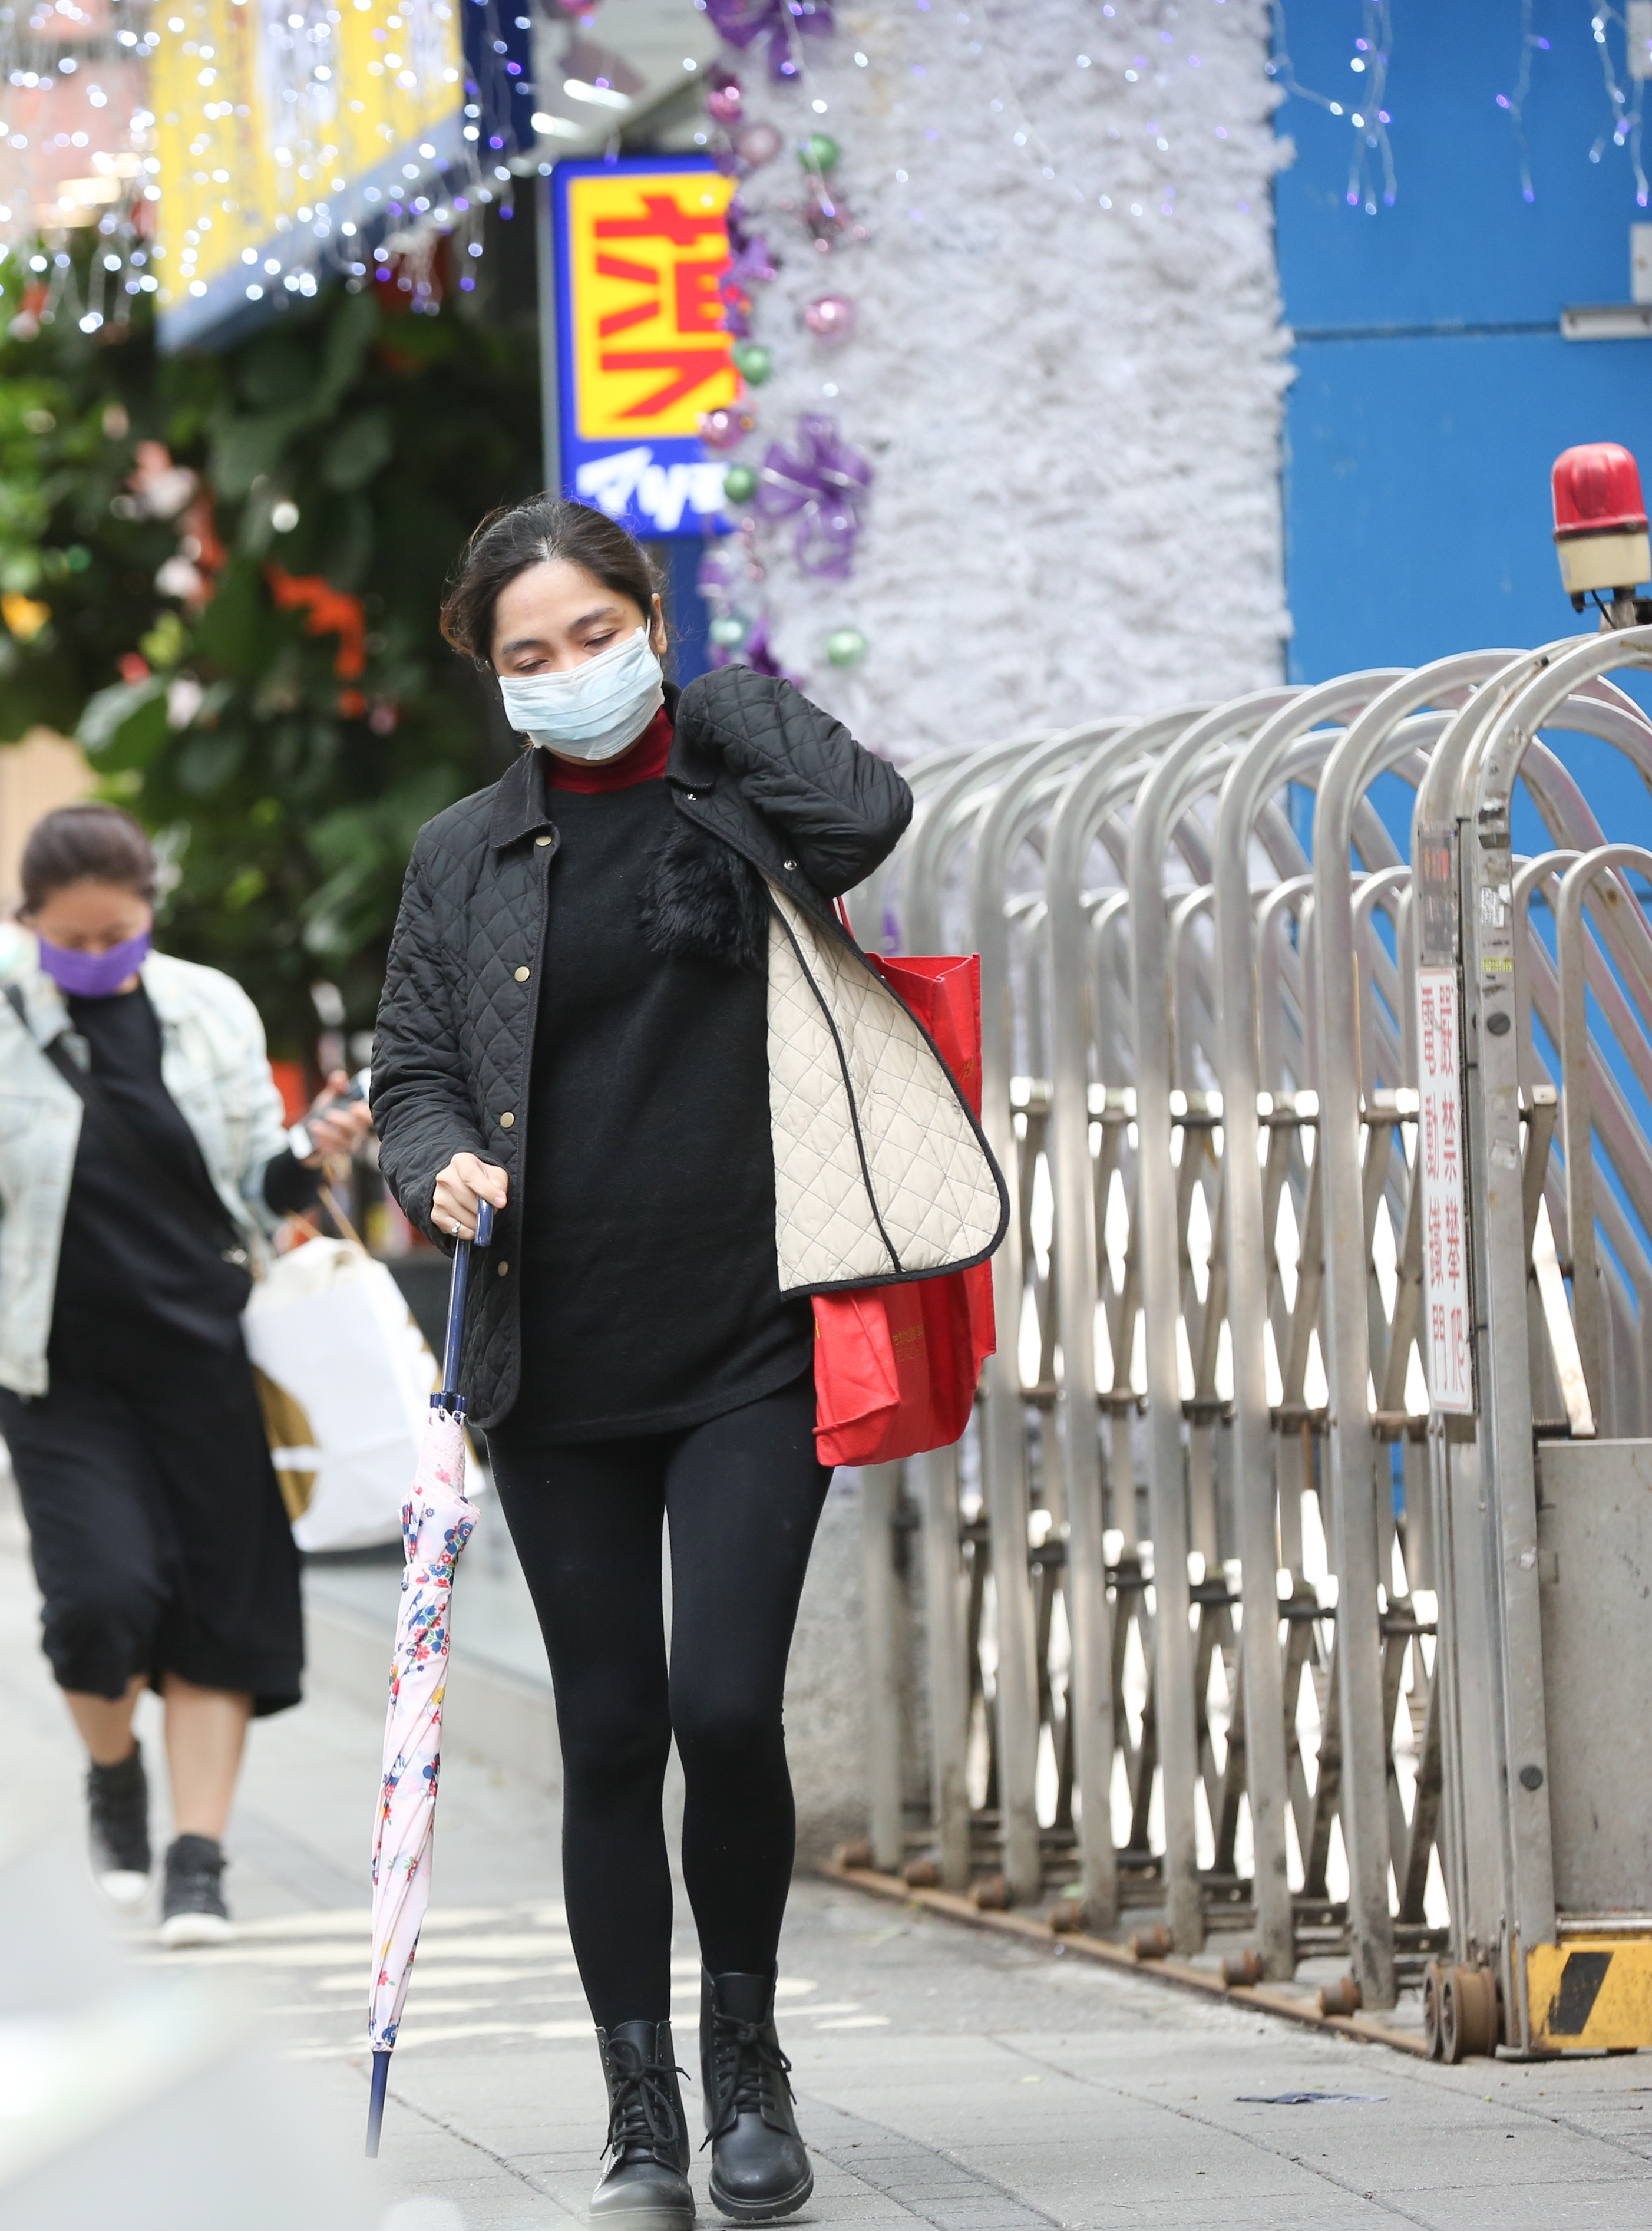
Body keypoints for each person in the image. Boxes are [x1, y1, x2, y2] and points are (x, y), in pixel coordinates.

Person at [371, 498, 988, 2229]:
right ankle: (638, 2107)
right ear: (492, 675)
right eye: (530, 654)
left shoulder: (739, 786)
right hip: (555, 1356)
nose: (568, 672)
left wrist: (711, 695)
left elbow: (871, 813)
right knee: (609, 1726)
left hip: (750, 1337)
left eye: (595, 632)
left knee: (723, 1703)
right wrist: (436, 1162)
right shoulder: (462, 853)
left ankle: (746, 2065)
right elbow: (411, 1065)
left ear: (650, 618)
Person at [0, 804, 368, 1948]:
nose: (99, 957)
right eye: (73, 941)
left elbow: (257, 1184)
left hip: (209, 1356)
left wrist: (311, 1155)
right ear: (28, 924)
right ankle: (111, 1774)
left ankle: (197, 1861)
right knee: (97, 1604)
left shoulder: (210, 1007)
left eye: (119, 935)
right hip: (56, 1373)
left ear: (150, 910)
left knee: (214, 1613)